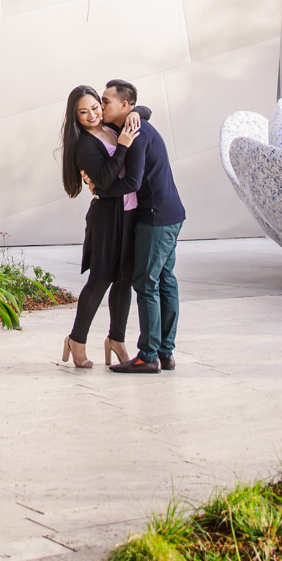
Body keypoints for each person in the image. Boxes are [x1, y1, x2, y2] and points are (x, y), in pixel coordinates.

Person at [100, 79, 184, 374]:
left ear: (125, 106)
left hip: (155, 216)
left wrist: (100, 190)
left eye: (106, 101)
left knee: (146, 283)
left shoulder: (133, 133)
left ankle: (148, 356)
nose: (101, 105)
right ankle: (165, 353)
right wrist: (140, 112)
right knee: (165, 281)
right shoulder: (136, 124)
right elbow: (143, 110)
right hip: (172, 213)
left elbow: (132, 182)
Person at [57, 85, 138, 369]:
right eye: (83, 112)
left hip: (129, 214)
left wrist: (135, 114)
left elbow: (143, 110)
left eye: (95, 107)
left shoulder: (114, 129)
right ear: (75, 116)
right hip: (106, 219)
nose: (92, 115)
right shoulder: (84, 145)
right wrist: (124, 147)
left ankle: (116, 340)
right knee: (101, 279)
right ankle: (76, 340)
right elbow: (104, 180)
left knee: (125, 279)